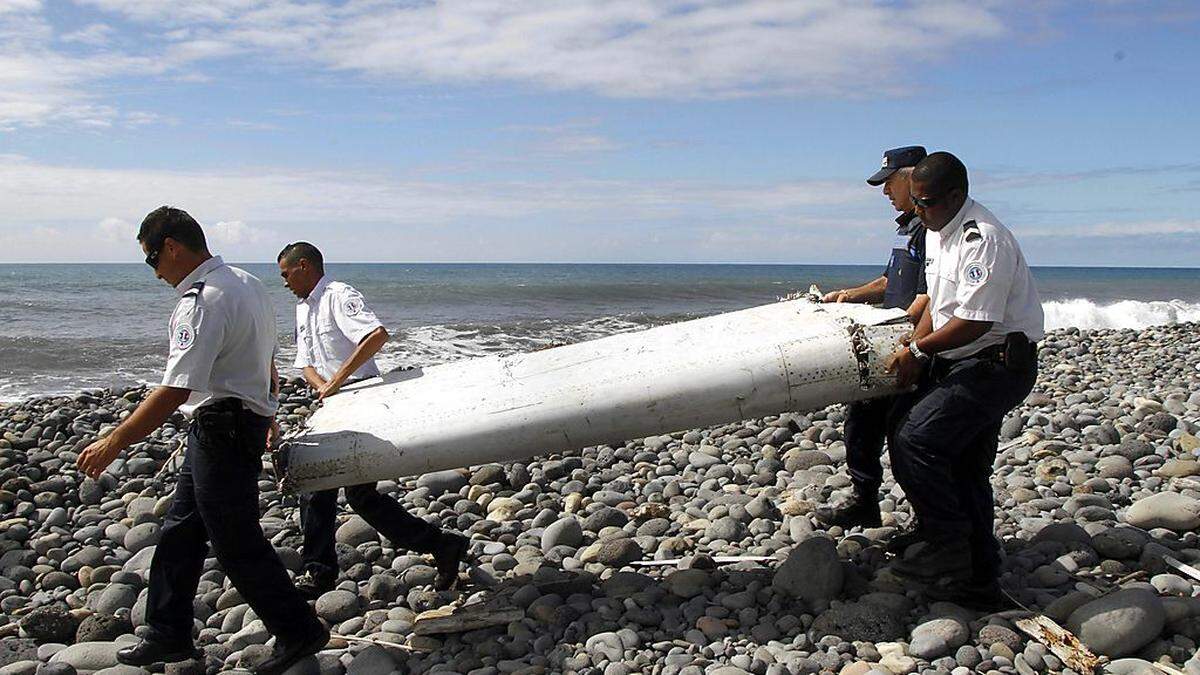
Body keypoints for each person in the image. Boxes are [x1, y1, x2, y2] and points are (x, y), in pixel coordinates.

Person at [77, 207, 327, 675]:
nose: (155, 273)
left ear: (172, 247)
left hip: (223, 429)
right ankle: (167, 630)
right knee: (182, 530)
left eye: (152, 259)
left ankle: (298, 629)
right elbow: (263, 356)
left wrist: (115, 440)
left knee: (235, 540)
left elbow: (175, 389)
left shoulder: (203, 298)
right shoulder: (247, 284)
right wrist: (266, 409)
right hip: (232, 422)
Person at [884, 152, 1043, 608]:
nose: (917, 211)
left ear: (956, 196)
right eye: (914, 202)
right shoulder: (939, 229)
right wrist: (917, 344)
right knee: (961, 463)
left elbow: (974, 321)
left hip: (996, 364)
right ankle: (978, 579)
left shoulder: (983, 240)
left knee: (918, 440)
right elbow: (938, 297)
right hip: (963, 358)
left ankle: (948, 545)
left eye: (926, 203)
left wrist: (917, 351)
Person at [277, 241, 470, 598]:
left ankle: (319, 572)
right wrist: (323, 387)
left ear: (304, 266)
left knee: (332, 486)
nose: (284, 282)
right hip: (332, 402)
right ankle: (441, 545)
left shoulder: (338, 295)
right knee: (348, 493)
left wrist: (336, 382)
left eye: (286, 274)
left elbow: (375, 335)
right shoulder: (302, 308)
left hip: (361, 396)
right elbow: (304, 360)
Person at [816, 145, 930, 532]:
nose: (885, 193)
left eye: (889, 183)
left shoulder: (932, 230)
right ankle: (864, 500)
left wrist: (906, 342)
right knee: (861, 422)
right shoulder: (905, 229)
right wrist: (847, 295)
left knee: (907, 436)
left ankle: (926, 520)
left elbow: (928, 296)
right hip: (889, 340)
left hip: (911, 346)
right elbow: (888, 283)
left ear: (912, 178)